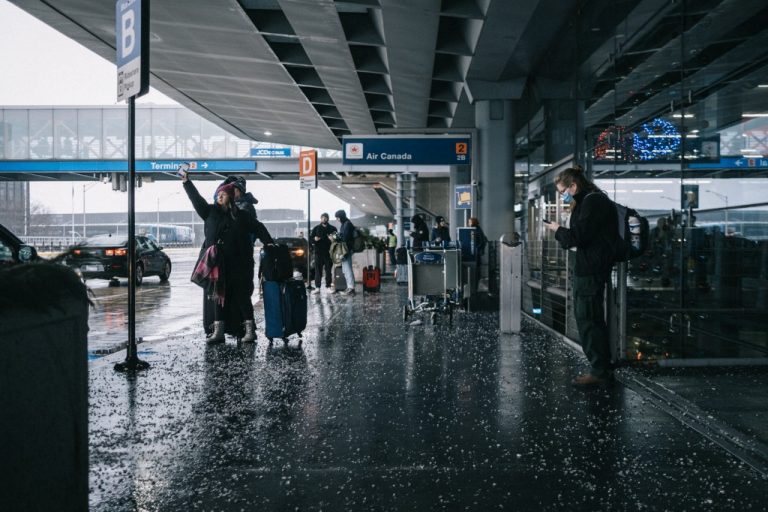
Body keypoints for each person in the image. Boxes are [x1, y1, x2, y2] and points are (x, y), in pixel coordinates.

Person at [544, 165, 618, 387]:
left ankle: (600, 371)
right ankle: (601, 367)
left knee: (588, 317)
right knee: (588, 316)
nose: (562, 196)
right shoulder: (589, 201)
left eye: (563, 191)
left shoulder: (592, 202)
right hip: (589, 266)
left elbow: (576, 237)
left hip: (591, 268)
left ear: (573, 186)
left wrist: (557, 229)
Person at [184, 173, 273, 344]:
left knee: (241, 296)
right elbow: (196, 199)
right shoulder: (210, 212)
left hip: (237, 263)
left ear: (230, 197)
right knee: (218, 296)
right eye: (218, 195)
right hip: (218, 264)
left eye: (223, 195)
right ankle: (218, 332)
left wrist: (269, 243)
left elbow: (259, 227)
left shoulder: (242, 215)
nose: (219, 197)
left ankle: (249, 330)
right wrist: (186, 182)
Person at [309, 213, 337, 294]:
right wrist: (314, 239)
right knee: (318, 271)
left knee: (328, 270)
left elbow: (337, 240)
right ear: (320, 218)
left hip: (329, 253)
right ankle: (317, 287)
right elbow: (311, 239)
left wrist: (332, 239)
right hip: (318, 253)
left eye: (326, 218)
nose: (324, 219)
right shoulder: (316, 228)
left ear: (328, 219)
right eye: (323, 218)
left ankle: (328, 286)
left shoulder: (332, 228)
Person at [334, 209, 356, 295]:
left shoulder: (347, 224)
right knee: (345, 268)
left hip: (346, 249)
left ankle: (351, 288)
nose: (337, 219)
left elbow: (345, 238)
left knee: (347, 268)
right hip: (345, 249)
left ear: (341, 217)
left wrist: (336, 238)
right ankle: (349, 287)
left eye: (338, 217)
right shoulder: (345, 224)